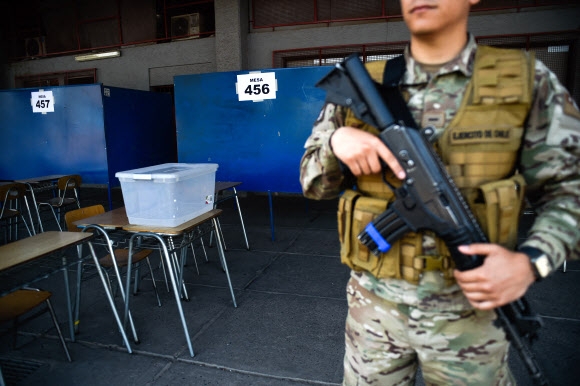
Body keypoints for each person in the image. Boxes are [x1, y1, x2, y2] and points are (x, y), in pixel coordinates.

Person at [299, 0, 580, 384]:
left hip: (471, 322)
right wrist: (335, 143)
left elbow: (571, 192)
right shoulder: (368, 83)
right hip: (373, 313)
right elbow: (312, 183)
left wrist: (532, 261)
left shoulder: (528, 81)